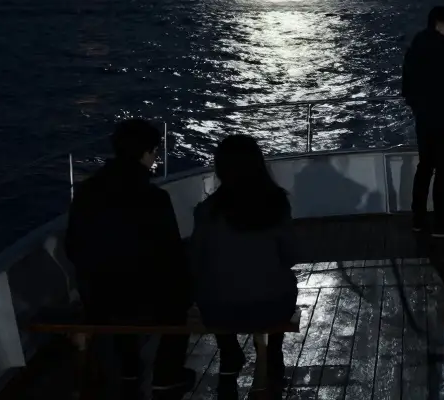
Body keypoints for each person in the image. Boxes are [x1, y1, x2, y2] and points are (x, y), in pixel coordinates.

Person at [65, 119, 193, 396]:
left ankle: (129, 367)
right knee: (178, 304)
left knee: (116, 291)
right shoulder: (154, 197)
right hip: (141, 297)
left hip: (98, 294)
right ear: (147, 153)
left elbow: (72, 247)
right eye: (155, 151)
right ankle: (167, 374)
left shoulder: (86, 192)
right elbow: (171, 254)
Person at [191, 135, 297, 393]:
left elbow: (196, 260)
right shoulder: (277, 203)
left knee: (215, 290)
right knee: (281, 284)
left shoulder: (207, 210)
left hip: (220, 310)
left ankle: (228, 351)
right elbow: (291, 255)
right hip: (271, 306)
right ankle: (274, 351)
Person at [401, 5, 444, 236]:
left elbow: (407, 88)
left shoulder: (415, 51)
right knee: (443, 171)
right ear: (441, 24)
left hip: (425, 121)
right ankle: (441, 220)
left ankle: (418, 219)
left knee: (425, 168)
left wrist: (420, 110)